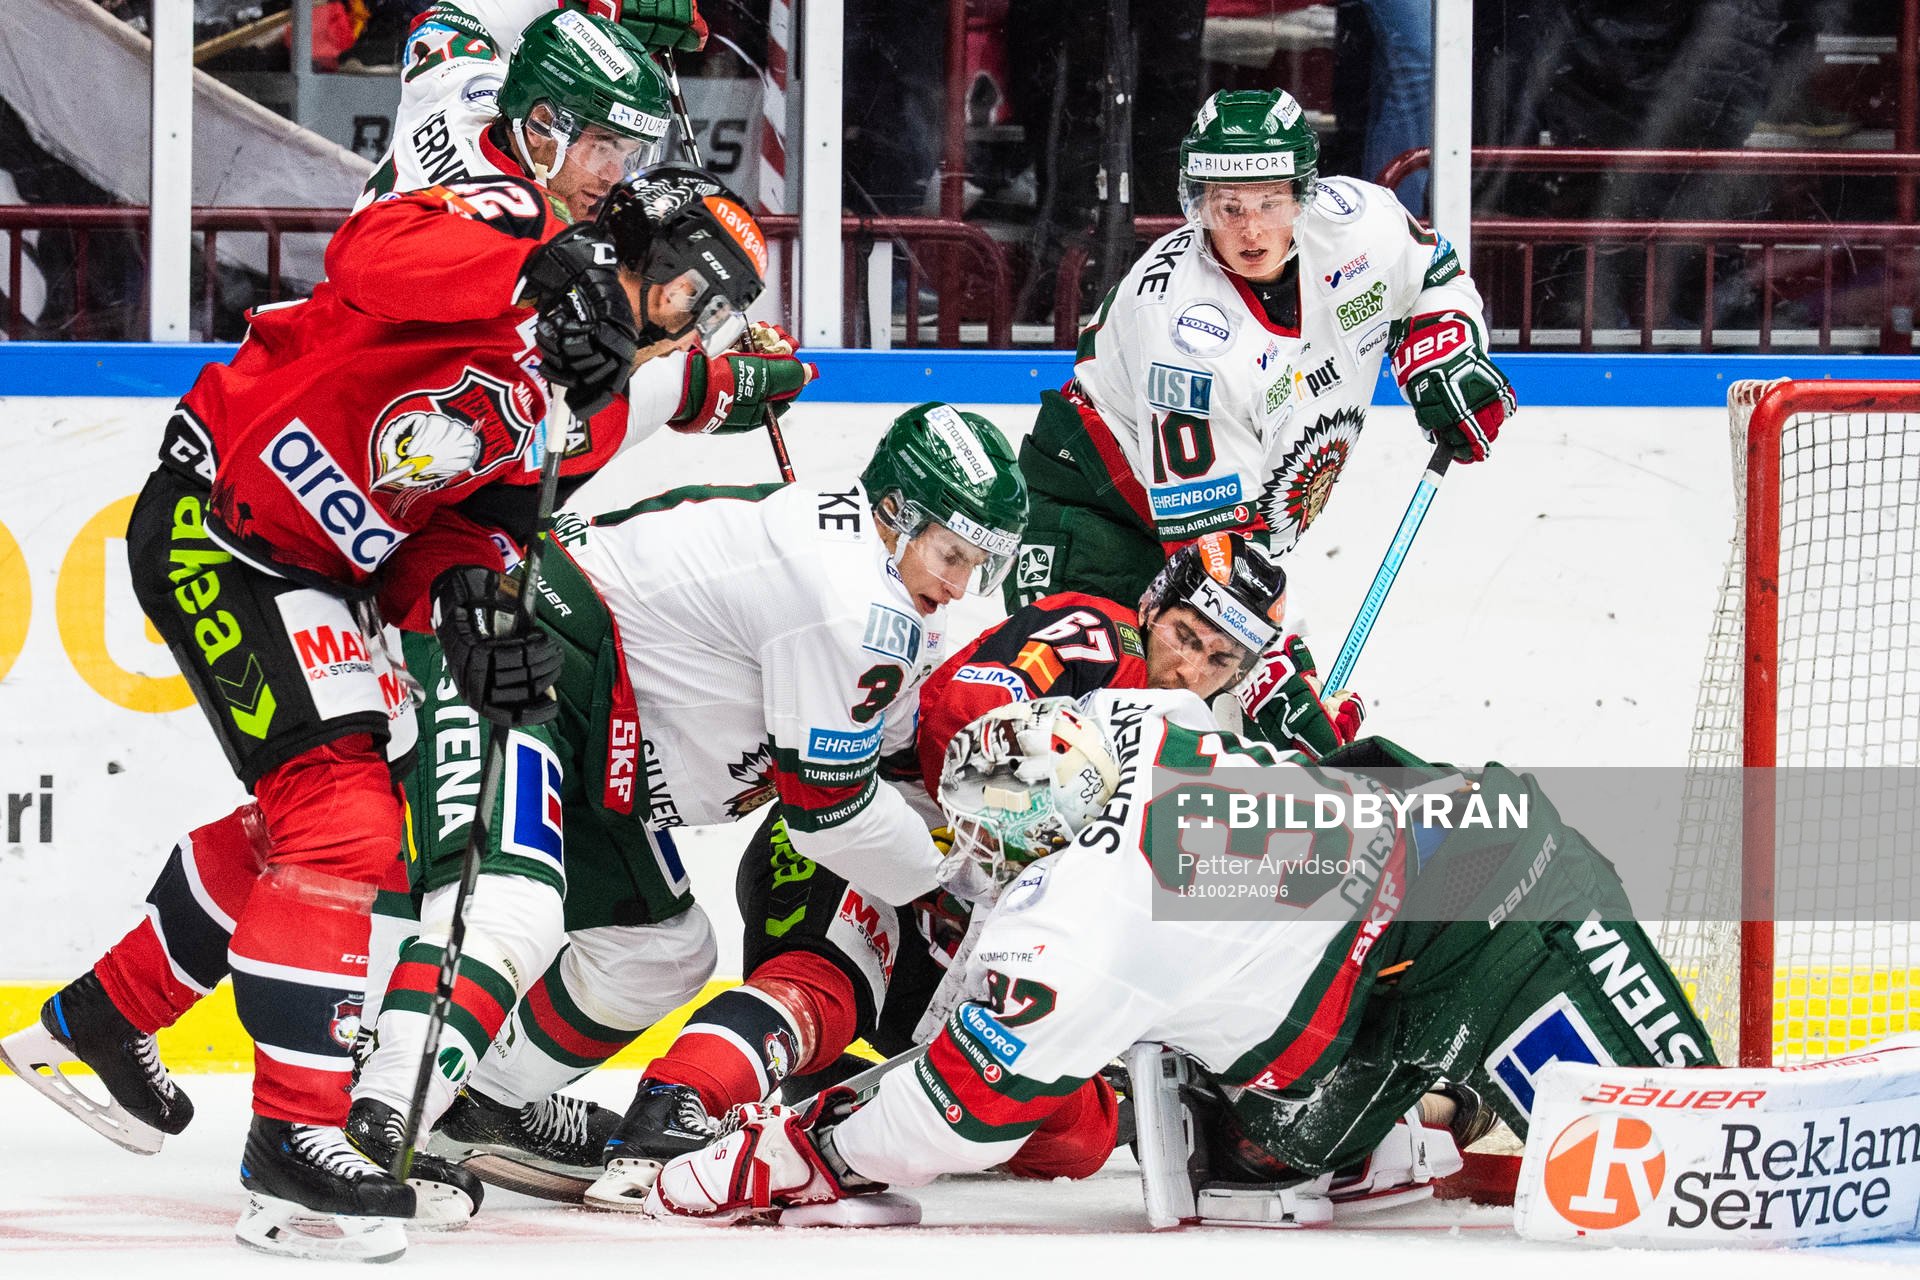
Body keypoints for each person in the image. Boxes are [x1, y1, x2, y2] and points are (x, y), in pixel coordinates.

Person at [0, 163, 780, 1263]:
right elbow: (367, 256)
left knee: (325, 826)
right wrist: (529, 268)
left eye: (717, 318)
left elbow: (461, 531)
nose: (692, 330)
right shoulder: (511, 226)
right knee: (342, 823)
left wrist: (477, 614)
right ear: (642, 256)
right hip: (220, 525)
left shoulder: (583, 397)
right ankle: (293, 1146)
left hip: (319, 568)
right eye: (690, 298)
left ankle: (100, 1019)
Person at [637, 688, 1717, 1226]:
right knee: (1246, 1159)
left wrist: (794, 1149)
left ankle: (1406, 1122)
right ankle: (1410, 1124)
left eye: (987, 837)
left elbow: (956, 1106)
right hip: (1421, 927)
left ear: (1024, 835)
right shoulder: (1138, 722)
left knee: (1697, 1182)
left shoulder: (1076, 912)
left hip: (1486, 923)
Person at [351, 402, 1028, 1212]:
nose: (956, 585)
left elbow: (898, 755)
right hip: (512, 647)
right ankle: (383, 1126)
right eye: (950, 553)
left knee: (660, 955)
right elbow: (829, 814)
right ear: (895, 513)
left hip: (601, 731)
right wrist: (966, 881)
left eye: (977, 566)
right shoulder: (852, 598)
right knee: (510, 903)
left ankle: (481, 1103)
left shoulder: (877, 594)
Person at [585, 533, 1366, 1203]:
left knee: (1082, 1133)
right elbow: (960, 713)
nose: (1190, 668)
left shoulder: (1190, 739)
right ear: (1156, 608)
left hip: (975, 913)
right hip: (878, 837)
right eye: (1186, 637)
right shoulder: (1095, 633)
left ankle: (833, 1109)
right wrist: (1042, 806)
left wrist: (1321, 770)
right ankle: (671, 1109)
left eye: (1218, 658)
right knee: (827, 992)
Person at [1008, 87, 1516, 612]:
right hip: (1099, 518)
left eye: (1270, 203)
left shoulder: (1360, 226)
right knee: (1128, 690)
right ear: (1200, 202)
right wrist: (1287, 682)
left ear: (1303, 196)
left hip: (1206, 536)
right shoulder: (1185, 336)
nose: (1251, 231)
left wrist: (1444, 352)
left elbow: (1432, 273)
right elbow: (1216, 568)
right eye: (1230, 207)